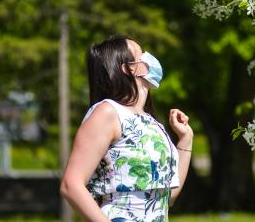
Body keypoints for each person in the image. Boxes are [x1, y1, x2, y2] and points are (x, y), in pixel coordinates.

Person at [60, 35, 193, 222]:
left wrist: (185, 139)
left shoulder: (150, 122)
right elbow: (71, 184)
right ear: (128, 68)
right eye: (142, 54)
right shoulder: (107, 112)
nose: (150, 58)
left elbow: (166, 197)